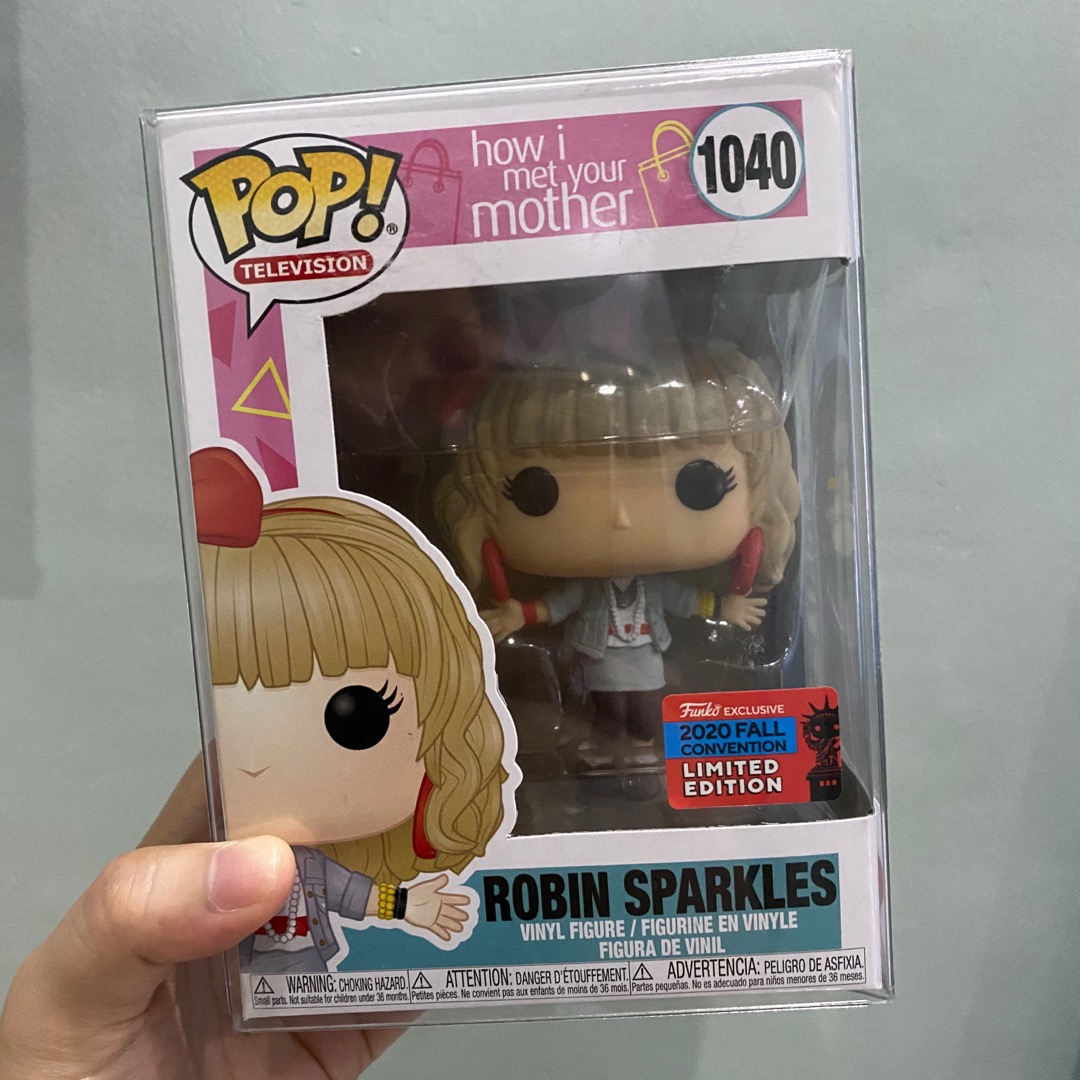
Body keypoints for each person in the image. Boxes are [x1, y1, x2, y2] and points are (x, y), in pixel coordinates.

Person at [436, 343, 799, 775]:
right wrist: (520, 613)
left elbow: (685, 601)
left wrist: (726, 608)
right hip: (600, 665)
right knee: (607, 712)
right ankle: (609, 747)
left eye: (701, 484)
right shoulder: (588, 588)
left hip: (646, 664)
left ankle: (641, 746)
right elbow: (560, 605)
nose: (621, 518)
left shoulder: (655, 588)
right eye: (537, 492)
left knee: (643, 713)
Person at [0, 757, 404, 1079]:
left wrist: (406, 907)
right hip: (257, 974)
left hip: (309, 969)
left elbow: (352, 894)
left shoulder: (316, 865)